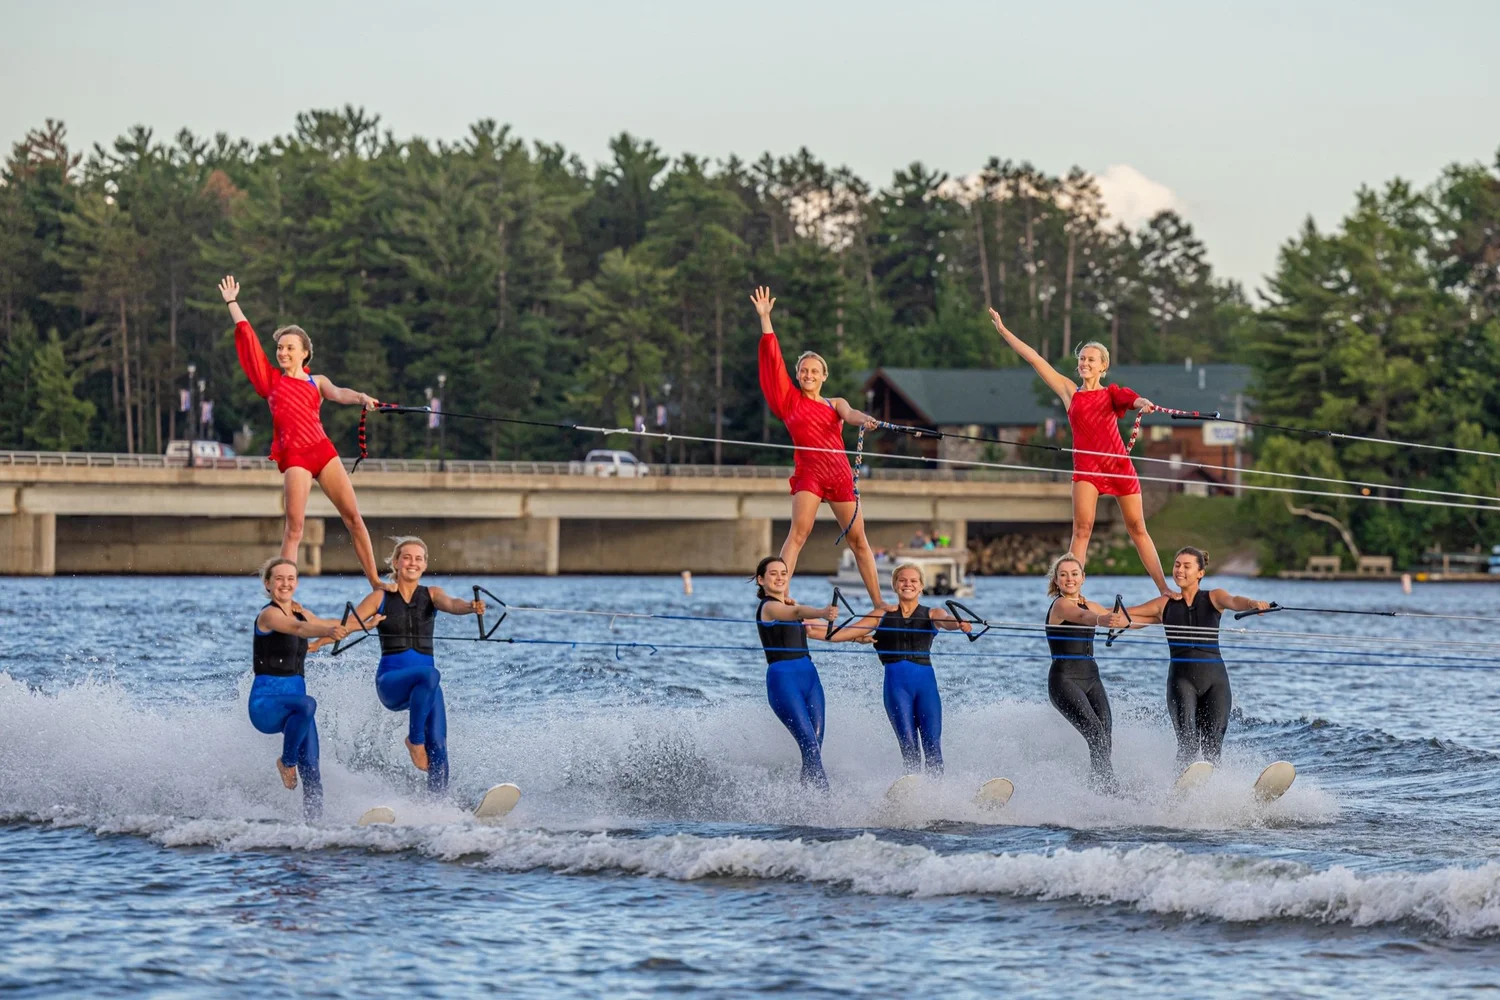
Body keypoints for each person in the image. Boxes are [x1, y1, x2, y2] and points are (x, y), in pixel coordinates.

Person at [219, 275, 394, 594]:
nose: (282, 352)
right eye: (279, 348)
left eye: (289, 348)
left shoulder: (317, 381)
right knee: (295, 528)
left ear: (304, 353)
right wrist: (233, 303)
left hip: (323, 451)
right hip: (296, 457)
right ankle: (282, 591)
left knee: (354, 517)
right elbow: (249, 341)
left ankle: (376, 582)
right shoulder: (270, 381)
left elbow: (340, 393)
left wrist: (363, 398)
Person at [988, 309, 1174, 598]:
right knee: (1083, 529)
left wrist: (1142, 402)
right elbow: (1035, 359)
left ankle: (1164, 589)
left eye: (1091, 359)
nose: (1084, 363)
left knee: (1138, 527)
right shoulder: (1069, 393)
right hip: (1087, 468)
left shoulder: (1110, 392)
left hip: (1119, 467)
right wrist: (1003, 331)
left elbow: (1129, 397)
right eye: (1082, 359)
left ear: (1103, 366)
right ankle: (1070, 594)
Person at [753, 287, 890, 610]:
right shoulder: (790, 401)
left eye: (814, 371)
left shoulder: (835, 403)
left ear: (824, 376)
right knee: (798, 534)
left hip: (839, 474)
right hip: (810, 474)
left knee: (859, 541)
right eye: (803, 371)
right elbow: (773, 363)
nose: (808, 375)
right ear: (798, 376)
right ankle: (780, 595)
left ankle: (879, 602)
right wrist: (766, 320)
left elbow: (851, 414)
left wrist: (865, 420)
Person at [346, 537, 485, 793]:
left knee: (440, 746)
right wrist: (317, 641)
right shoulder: (380, 596)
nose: (412, 562)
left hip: (425, 684)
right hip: (391, 683)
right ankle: (414, 740)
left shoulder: (432, 594)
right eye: (407, 557)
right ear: (396, 562)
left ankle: (437, 805)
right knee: (431, 675)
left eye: (418, 558)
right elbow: (347, 625)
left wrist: (470, 607)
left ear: (424, 565)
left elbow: (453, 604)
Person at [1121, 547, 1270, 768]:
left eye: (1186, 566)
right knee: (1188, 747)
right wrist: (1095, 614)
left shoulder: (1214, 597)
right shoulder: (1164, 604)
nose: (1180, 570)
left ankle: (1214, 797)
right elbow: (1125, 613)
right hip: (1181, 682)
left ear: (1200, 573)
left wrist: (1252, 604)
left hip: (1216, 683)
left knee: (1213, 750)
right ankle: (1178, 791)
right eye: (1177, 565)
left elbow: (1234, 600)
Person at [249, 557, 369, 819]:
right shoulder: (269, 614)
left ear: (297, 583)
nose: (285, 583)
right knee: (308, 703)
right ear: (268, 583)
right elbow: (300, 629)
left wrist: (368, 624)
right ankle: (286, 762)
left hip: (296, 710)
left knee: (313, 769)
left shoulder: (302, 611)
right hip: (267, 704)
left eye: (290, 578)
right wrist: (328, 629)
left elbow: (330, 624)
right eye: (279, 578)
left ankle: (313, 827)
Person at [752, 555, 861, 790]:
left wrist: (858, 637)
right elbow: (797, 613)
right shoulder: (770, 608)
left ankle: (806, 800)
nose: (780, 578)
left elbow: (818, 631)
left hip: (809, 677)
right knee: (809, 745)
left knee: (815, 746)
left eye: (784, 573)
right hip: (783, 680)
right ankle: (825, 801)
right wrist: (822, 611)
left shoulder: (790, 606)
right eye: (773, 574)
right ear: (761, 580)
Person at [868, 563, 970, 775]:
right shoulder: (881, 614)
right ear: (895, 585)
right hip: (896, 688)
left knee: (933, 747)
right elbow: (848, 632)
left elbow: (947, 621)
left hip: (926, 689)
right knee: (909, 749)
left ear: (921, 586)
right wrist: (826, 631)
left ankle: (937, 796)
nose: (908, 584)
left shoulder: (933, 613)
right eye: (903, 580)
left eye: (913, 581)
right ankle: (912, 794)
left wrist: (959, 623)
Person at [1043, 554, 1126, 791]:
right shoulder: (1060, 605)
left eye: (1074, 574)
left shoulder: (1089, 604)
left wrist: (1158, 613)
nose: (1069, 579)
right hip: (1064, 681)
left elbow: (1121, 617)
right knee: (1096, 736)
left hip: (1092, 679)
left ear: (1083, 578)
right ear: (1056, 581)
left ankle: (1098, 787)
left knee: (1105, 736)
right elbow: (1082, 617)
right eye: (1063, 575)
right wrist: (1102, 619)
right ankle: (1108, 790)